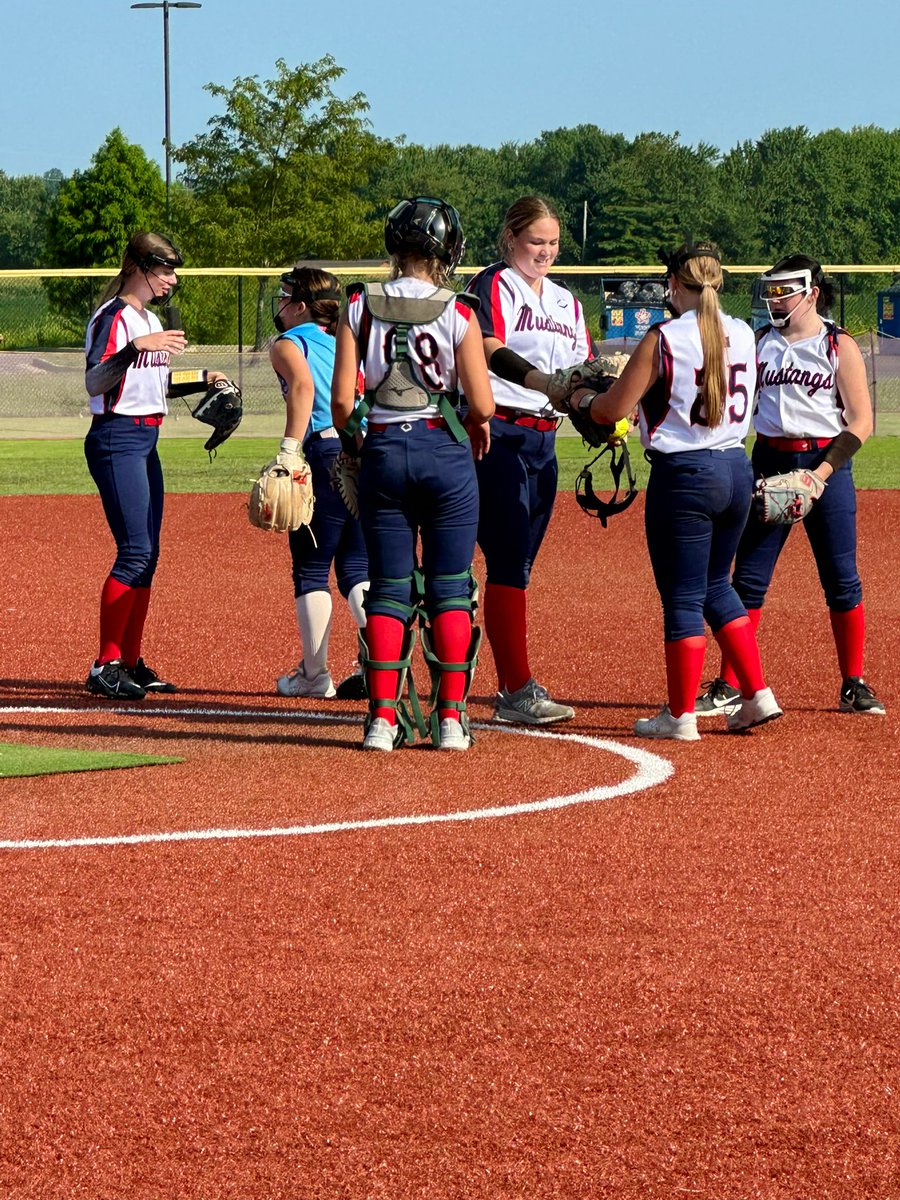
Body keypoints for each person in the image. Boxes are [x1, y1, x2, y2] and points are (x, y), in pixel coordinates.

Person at [544, 241, 781, 740]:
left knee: (682, 594)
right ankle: (758, 694)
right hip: (736, 467)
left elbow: (611, 410)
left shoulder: (665, 335)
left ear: (673, 284)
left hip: (686, 474)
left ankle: (680, 715)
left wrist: (582, 396)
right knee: (717, 584)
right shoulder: (742, 330)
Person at [331, 197, 495, 751]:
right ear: (445, 250)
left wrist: (357, 444)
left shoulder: (358, 304)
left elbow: (339, 403)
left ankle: (381, 720)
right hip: (443, 451)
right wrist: (468, 424)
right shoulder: (460, 309)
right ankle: (450, 719)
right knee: (451, 587)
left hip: (381, 448)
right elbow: (484, 404)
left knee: (389, 589)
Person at [697, 255, 885, 716]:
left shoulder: (838, 345)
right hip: (769, 462)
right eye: (772, 291)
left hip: (827, 467)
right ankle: (729, 681)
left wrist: (818, 477)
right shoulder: (758, 343)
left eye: (786, 291)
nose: (775, 299)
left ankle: (853, 683)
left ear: (812, 293)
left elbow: (861, 422)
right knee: (748, 580)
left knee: (842, 579)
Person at [83, 231, 227, 700]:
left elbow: (157, 381)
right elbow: (94, 380)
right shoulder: (116, 317)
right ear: (139, 268)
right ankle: (104, 664)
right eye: (164, 269)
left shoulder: (146, 319)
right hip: (116, 438)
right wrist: (133, 347)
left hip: (146, 437)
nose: (172, 278)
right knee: (135, 551)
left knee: (149, 554)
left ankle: (129, 661)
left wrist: (204, 378)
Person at [466, 196, 592, 726]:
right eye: (535, 241)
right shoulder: (493, 283)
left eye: (553, 243)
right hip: (500, 430)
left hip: (544, 436)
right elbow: (488, 346)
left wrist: (603, 414)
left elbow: (581, 367)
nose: (545, 252)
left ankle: (501, 669)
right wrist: (542, 382)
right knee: (508, 560)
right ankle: (515, 688)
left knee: (517, 565)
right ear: (510, 238)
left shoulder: (567, 301)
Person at [269, 265, 369, 701]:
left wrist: (290, 449)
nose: (280, 304)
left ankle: (314, 675)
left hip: (325, 451)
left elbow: (303, 388)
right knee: (358, 569)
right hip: (365, 453)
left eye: (285, 296)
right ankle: (380, 666)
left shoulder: (289, 342)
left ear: (302, 307)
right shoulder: (343, 342)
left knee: (311, 568)